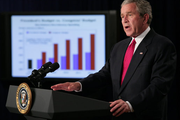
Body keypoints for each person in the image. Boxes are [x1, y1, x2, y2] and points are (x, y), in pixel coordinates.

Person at [51, 0, 177, 120]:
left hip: (144, 116)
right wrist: (79, 85)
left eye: (129, 15)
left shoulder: (162, 45)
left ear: (144, 18)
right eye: (122, 16)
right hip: (118, 116)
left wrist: (130, 104)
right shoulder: (119, 47)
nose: (124, 20)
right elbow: (104, 75)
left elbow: (159, 86)